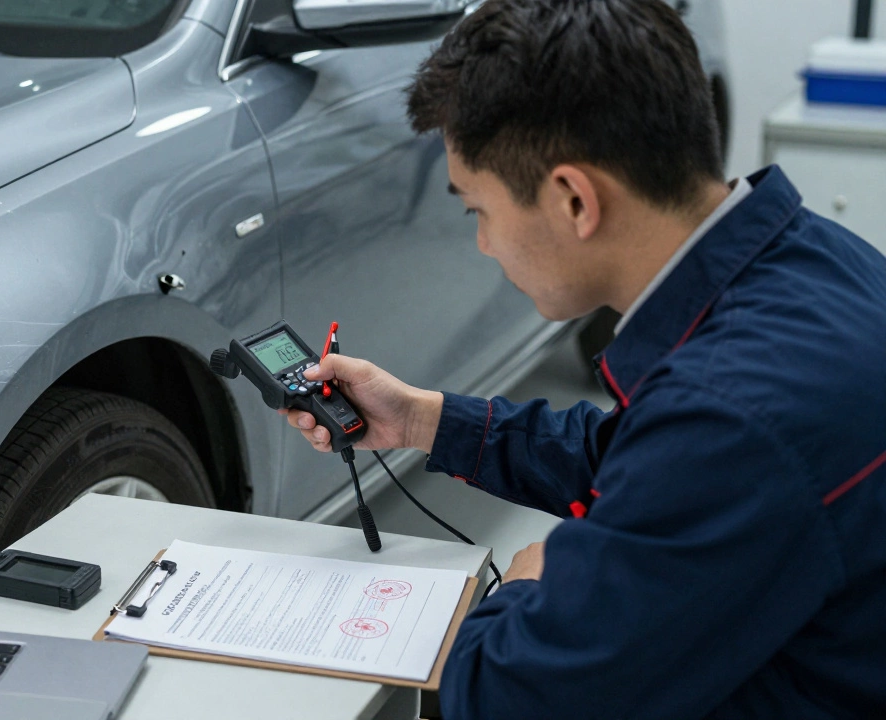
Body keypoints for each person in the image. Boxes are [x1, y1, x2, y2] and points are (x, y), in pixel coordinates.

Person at [281, 0, 886, 717]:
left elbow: (509, 696)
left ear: (572, 198)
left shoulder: (734, 416)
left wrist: (530, 589)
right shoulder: (815, 258)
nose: (484, 245)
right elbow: (651, 452)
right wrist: (423, 421)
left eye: (479, 210)